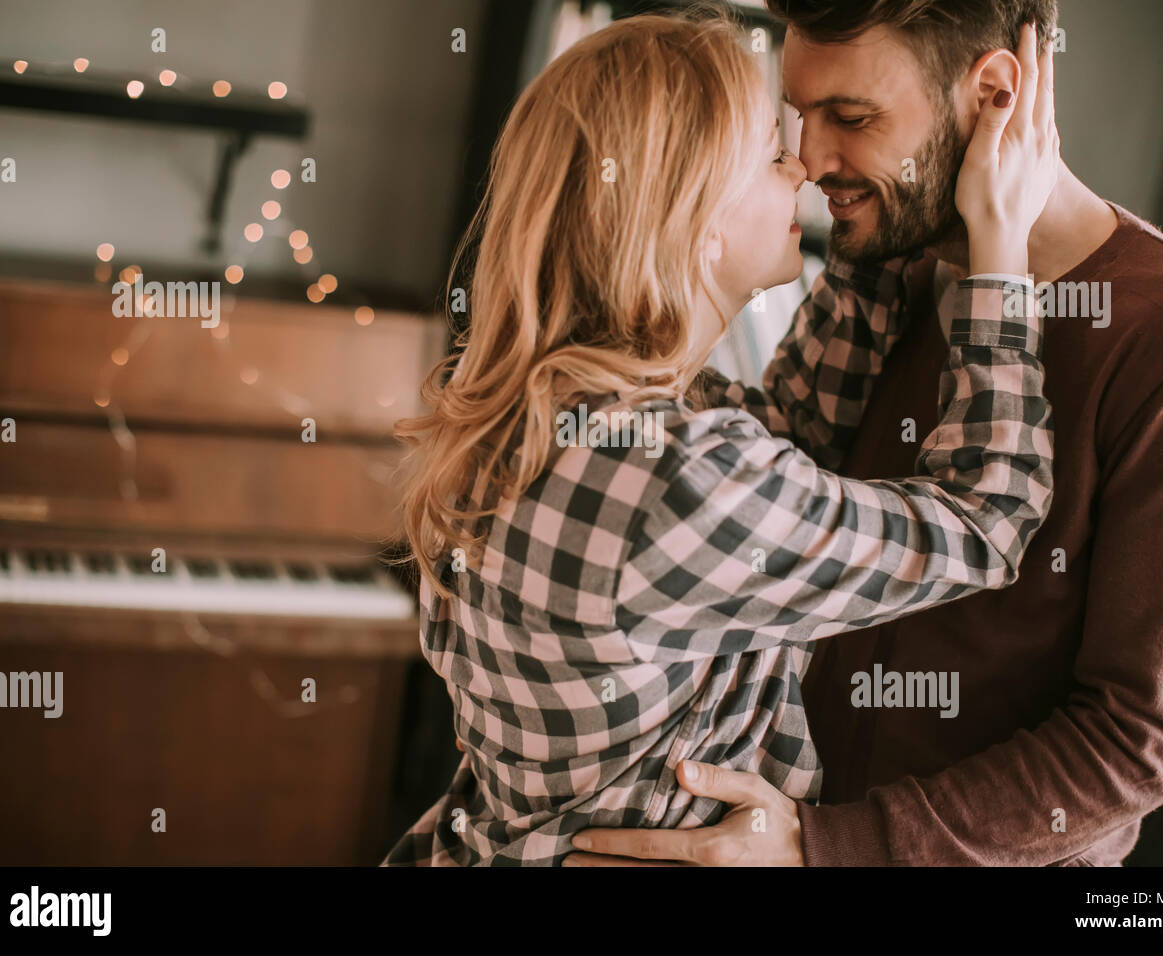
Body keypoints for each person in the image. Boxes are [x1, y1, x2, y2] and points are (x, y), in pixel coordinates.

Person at [565, 0, 1163, 868]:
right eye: (801, 115)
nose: (811, 160)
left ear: (997, 93)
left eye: (851, 118)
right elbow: (770, 474)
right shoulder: (882, 266)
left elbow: (1138, 740)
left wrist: (829, 848)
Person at [384, 10, 1060, 865]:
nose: (806, 167)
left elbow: (797, 434)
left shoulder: (539, 414)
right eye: (773, 154)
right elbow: (989, 521)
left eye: (834, 127)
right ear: (695, 217)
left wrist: (882, 210)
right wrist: (998, 252)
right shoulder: (681, 479)